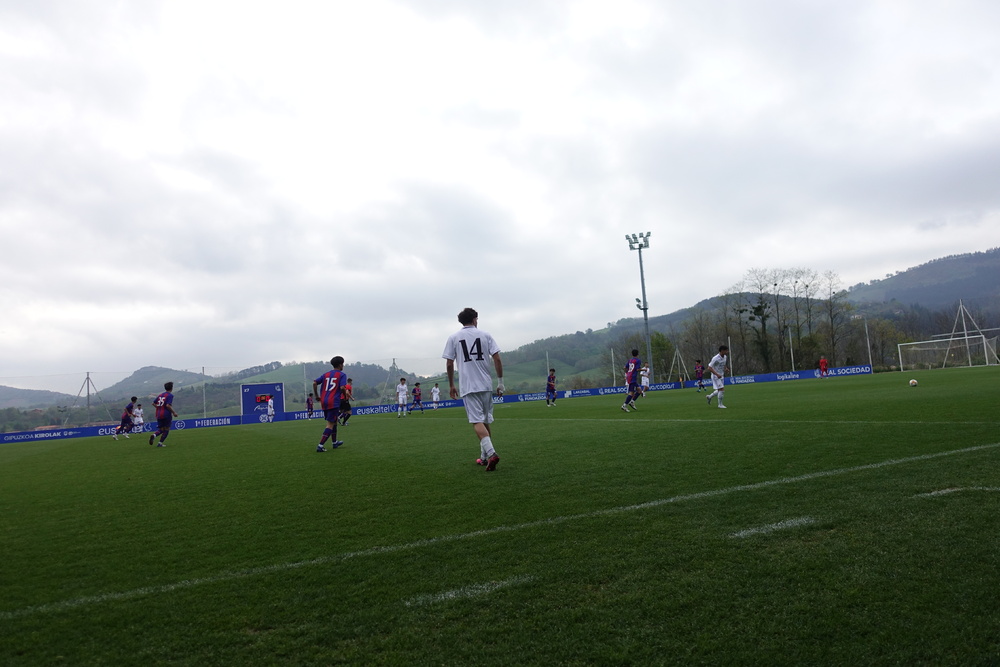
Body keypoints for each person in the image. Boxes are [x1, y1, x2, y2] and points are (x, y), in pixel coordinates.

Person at [442, 307, 504, 472]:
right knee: (485, 421)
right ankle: (484, 457)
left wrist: (451, 385)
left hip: (469, 386)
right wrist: (500, 382)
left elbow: (449, 363)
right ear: (475, 319)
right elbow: (497, 358)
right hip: (485, 385)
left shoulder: (453, 337)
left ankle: (491, 453)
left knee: (477, 421)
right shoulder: (485, 335)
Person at [313, 356, 347, 452]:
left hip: (324, 401)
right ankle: (320, 446)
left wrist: (317, 395)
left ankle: (334, 442)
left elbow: (314, 383)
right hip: (333, 401)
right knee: (330, 424)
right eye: (342, 364)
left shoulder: (326, 374)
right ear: (340, 365)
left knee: (334, 421)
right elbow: (342, 388)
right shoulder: (342, 375)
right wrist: (344, 396)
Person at [150, 383, 178, 447]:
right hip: (166, 414)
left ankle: (154, 435)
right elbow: (168, 405)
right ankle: (160, 443)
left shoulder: (160, 395)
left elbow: (153, 403)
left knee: (162, 429)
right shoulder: (170, 395)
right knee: (167, 429)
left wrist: (159, 408)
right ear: (171, 388)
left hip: (158, 414)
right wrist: (174, 412)